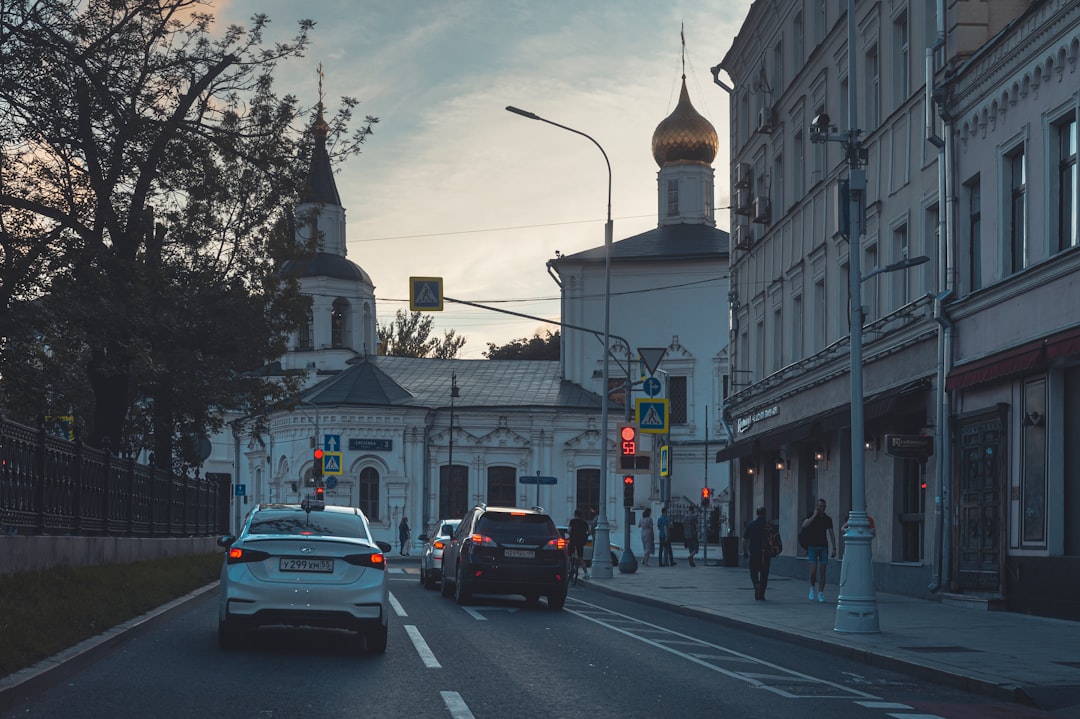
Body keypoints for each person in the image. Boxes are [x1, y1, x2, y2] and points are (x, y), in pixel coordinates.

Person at [801, 498, 836, 603]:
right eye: (820, 506)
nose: (822, 508)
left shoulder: (827, 519)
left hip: (823, 547)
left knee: (822, 571)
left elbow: (831, 533)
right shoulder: (812, 516)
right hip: (812, 547)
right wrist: (814, 516)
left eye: (823, 507)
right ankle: (812, 587)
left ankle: (820, 593)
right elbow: (804, 525)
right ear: (817, 507)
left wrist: (834, 548)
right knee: (813, 571)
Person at [741, 506, 770, 599]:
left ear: (757, 514)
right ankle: (762, 594)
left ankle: (756, 584)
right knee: (764, 574)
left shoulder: (751, 525)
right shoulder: (768, 525)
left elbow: (744, 540)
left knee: (753, 572)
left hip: (754, 553)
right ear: (765, 513)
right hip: (766, 553)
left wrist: (745, 552)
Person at [568, 508, 591, 579]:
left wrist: (571, 535)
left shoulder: (572, 521)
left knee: (568, 556)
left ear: (575, 514)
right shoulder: (584, 522)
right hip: (581, 542)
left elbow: (569, 530)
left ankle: (568, 569)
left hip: (573, 541)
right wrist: (585, 536)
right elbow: (589, 532)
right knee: (580, 557)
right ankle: (586, 574)